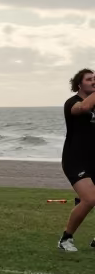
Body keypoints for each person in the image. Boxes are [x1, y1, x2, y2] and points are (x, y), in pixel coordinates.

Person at [57, 68, 95, 252]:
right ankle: (66, 239)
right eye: (89, 79)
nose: (94, 81)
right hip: (75, 160)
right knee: (89, 199)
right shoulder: (72, 103)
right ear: (79, 84)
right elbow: (84, 108)